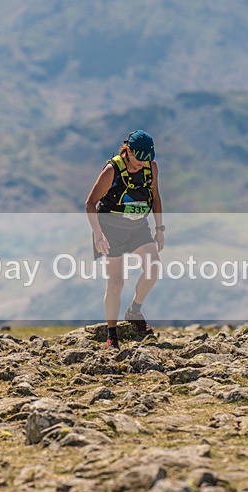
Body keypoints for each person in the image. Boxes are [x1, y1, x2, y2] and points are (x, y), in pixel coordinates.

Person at [85, 130, 165, 349]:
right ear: (128, 151)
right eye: (138, 160)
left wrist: (159, 229)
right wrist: (98, 236)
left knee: (154, 267)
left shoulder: (151, 167)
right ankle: (112, 334)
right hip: (111, 230)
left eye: (146, 160)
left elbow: (156, 197)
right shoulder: (112, 170)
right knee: (116, 282)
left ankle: (134, 311)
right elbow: (90, 204)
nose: (142, 164)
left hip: (138, 227)